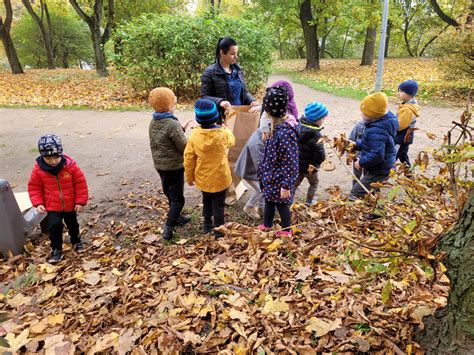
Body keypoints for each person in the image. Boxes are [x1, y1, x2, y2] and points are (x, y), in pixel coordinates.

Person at [28, 134, 88, 263]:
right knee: (55, 226)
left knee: (73, 224)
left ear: (61, 153)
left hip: (70, 204)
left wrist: (80, 201)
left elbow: (80, 184)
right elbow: (34, 187)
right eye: (48, 158)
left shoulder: (70, 166)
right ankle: (56, 249)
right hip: (52, 206)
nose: (53, 161)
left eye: (56, 157)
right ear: (42, 156)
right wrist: (38, 203)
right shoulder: (39, 170)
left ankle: (76, 241)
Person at [184, 99, 235, 238]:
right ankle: (219, 230)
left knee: (206, 201)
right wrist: (225, 127)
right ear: (215, 117)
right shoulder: (223, 134)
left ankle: (206, 224)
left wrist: (189, 177)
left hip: (203, 178)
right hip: (220, 177)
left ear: (198, 119)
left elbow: (188, 157)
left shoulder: (194, 135)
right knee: (219, 205)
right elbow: (232, 140)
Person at [148, 87, 191, 241]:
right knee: (178, 199)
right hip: (174, 166)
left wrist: (181, 129)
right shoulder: (172, 124)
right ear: (169, 105)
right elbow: (183, 145)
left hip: (160, 166)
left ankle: (177, 217)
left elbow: (164, 140)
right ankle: (169, 226)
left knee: (169, 193)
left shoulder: (154, 121)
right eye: (174, 104)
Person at [257, 86, 299, 236]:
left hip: (280, 180)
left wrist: (286, 185)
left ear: (269, 111)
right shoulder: (275, 127)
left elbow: (291, 162)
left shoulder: (285, 133)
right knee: (269, 200)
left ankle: (286, 230)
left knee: (282, 206)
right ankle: (267, 224)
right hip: (271, 176)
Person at [349, 92, 399, 200]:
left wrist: (361, 162)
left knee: (357, 190)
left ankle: (375, 211)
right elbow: (372, 145)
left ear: (373, 115)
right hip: (380, 167)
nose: (361, 115)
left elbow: (377, 154)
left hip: (381, 170)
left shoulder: (377, 130)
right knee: (373, 190)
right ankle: (376, 213)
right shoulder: (379, 125)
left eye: (364, 113)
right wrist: (357, 145)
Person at [201, 37, 259, 121]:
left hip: (240, 116)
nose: (236, 57)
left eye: (236, 53)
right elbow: (204, 96)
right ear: (222, 53)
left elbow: (244, 91)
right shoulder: (210, 72)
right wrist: (220, 102)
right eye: (232, 54)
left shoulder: (238, 70)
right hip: (221, 118)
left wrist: (251, 100)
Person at [295, 102, 328, 206]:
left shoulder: (299, 126)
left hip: (298, 163)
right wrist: (319, 162)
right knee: (314, 183)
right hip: (311, 167)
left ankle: (287, 200)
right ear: (317, 120)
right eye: (323, 118)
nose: (324, 121)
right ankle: (309, 202)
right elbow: (320, 154)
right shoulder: (317, 136)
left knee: (295, 183)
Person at [395, 80, 421, 168]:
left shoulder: (408, 109)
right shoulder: (407, 104)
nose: (400, 94)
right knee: (403, 157)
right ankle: (410, 176)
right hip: (406, 137)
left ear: (410, 95)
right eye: (400, 91)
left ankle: (383, 175)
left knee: (392, 157)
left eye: (402, 92)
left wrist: (391, 125)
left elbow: (400, 125)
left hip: (402, 137)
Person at [348, 119, 366, 187]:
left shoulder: (376, 127)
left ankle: (367, 191)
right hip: (357, 156)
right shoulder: (359, 125)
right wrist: (349, 155)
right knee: (356, 175)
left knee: (367, 175)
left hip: (369, 157)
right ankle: (354, 190)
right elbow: (351, 139)